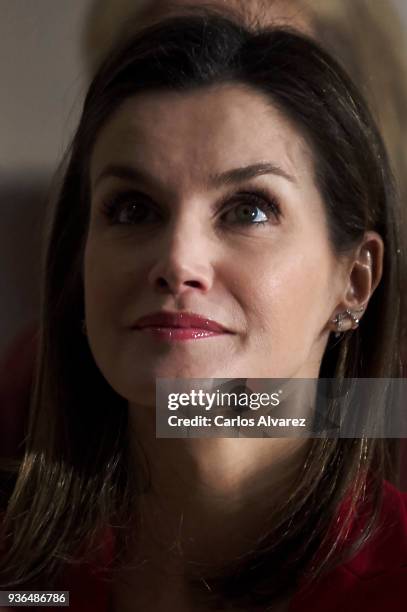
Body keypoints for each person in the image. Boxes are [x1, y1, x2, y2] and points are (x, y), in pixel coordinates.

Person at [0, 9, 406, 612]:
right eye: (133, 209)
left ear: (356, 278)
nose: (178, 259)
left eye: (250, 210)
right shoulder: (28, 573)